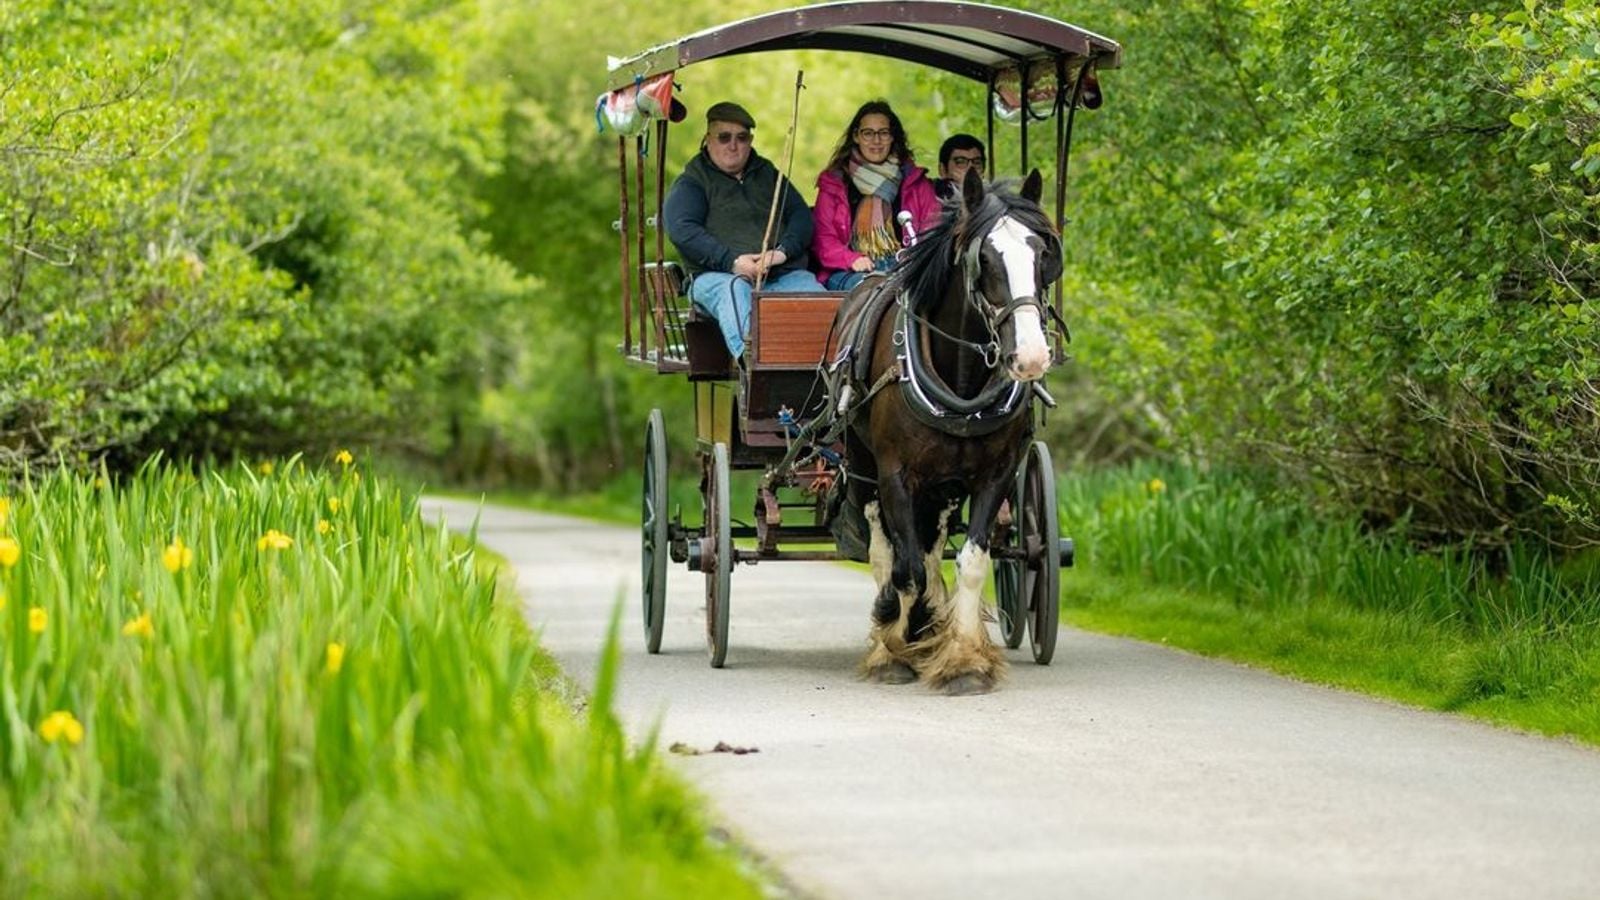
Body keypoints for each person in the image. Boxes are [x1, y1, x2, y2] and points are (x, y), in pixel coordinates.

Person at [664, 100, 824, 360]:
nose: (733, 145)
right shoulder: (693, 181)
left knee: (816, 297)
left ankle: (831, 372)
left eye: (742, 137)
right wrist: (732, 262)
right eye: (724, 137)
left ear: (750, 140)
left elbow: (801, 217)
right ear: (708, 139)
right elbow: (681, 229)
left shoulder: (768, 174)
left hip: (780, 273)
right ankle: (754, 367)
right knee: (735, 292)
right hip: (717, 276)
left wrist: (781, 253)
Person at [810, 100, 941, 292]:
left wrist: (913, 258)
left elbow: (934, 233)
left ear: (892, 137)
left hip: (906, 268)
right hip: (850, 270)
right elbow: (823, 239)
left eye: (883, 133)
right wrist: (852, 259)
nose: (876, 141)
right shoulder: (834, 183)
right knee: (871, 293)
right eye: (868, 133)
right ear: (856, 136)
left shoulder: (916, 182)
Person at [933, 133, 987, 201]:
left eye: (977, 162)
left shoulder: (996, 201)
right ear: (943, 170)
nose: (970, 168)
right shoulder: (927, 202)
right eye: (961, 162)